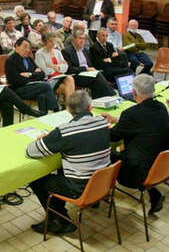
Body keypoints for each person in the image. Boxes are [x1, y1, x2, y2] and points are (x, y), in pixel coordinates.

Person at [27, 90, 110, 234]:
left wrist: (48, 137)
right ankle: (88, 205)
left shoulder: (65, 131)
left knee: (34, 178)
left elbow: (31, 151)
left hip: (80, 188)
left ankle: (60, 220)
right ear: (90, 107)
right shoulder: (103, 122)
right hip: (103, 183)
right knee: (63, 169)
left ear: (68, 110)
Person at [102, 74, 169, 214]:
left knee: (105, 154)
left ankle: (97, 196)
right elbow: (142, 124)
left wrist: (97, 126)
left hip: (136, 171)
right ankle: (154, 194)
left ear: (134, 93)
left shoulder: (131, 114)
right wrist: (117, 119)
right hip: (161, 165)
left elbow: (113, 136)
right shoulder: (161, 107)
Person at [6, 37, 58, 115]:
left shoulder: (29, 59)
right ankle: (56, 111)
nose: (27, 50)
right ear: (17, 46)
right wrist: (33, 76)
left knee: (42, 95)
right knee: (46, 86)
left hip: (32, 87)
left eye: (29, 48)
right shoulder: (11, 60)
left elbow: (42, 74)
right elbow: (15, 80)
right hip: (18, 90)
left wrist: (30, 74)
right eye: (25, 47)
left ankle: (42, 116)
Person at [62, 29, 115, 99]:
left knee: (98, 77)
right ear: (74, 39)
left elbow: (91, 64)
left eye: (84, 39)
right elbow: (69, 69)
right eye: (80, 38)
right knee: (98, 76)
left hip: (88, 74)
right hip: (76, 75)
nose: (82, 41)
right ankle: (111, 96)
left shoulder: (86, 51)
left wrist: (91, 69)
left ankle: (99, 99)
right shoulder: (66, 51)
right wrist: (85, 69)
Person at [35, 33, 75, 105]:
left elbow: (66, 67)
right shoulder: (39, 53)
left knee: (70, 78)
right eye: (50, 41)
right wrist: (59, 66)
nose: (53, 43)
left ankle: (68, 106)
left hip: (60, 76)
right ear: (45, 42)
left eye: (54, 41)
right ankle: (70, 107)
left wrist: (55, 66)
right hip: (49, 78)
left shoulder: (58, 52)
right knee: (66, 88)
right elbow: (44, 70)